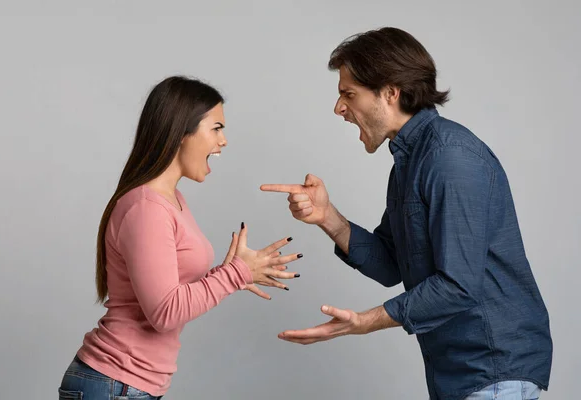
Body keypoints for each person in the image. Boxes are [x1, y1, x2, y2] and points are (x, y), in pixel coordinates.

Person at [261, 27, 552, 400]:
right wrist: (327, 217)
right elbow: (390, 266)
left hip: (492, 370)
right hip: (462, 373)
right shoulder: (409, 161)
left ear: (390, 92)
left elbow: (457, 286)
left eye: (348, 94)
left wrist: (364, 322)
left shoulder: (449, 158)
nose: (339, 108)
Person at [58, 76, 303, 399]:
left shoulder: (172, 201)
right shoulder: (146, 208)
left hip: (128, 385)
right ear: (181, 132)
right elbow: (164, 313)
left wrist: (237, 272)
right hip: (114, 384)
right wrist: (235, 273)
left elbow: (173, 293)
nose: (224, 140)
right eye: (216, 128)